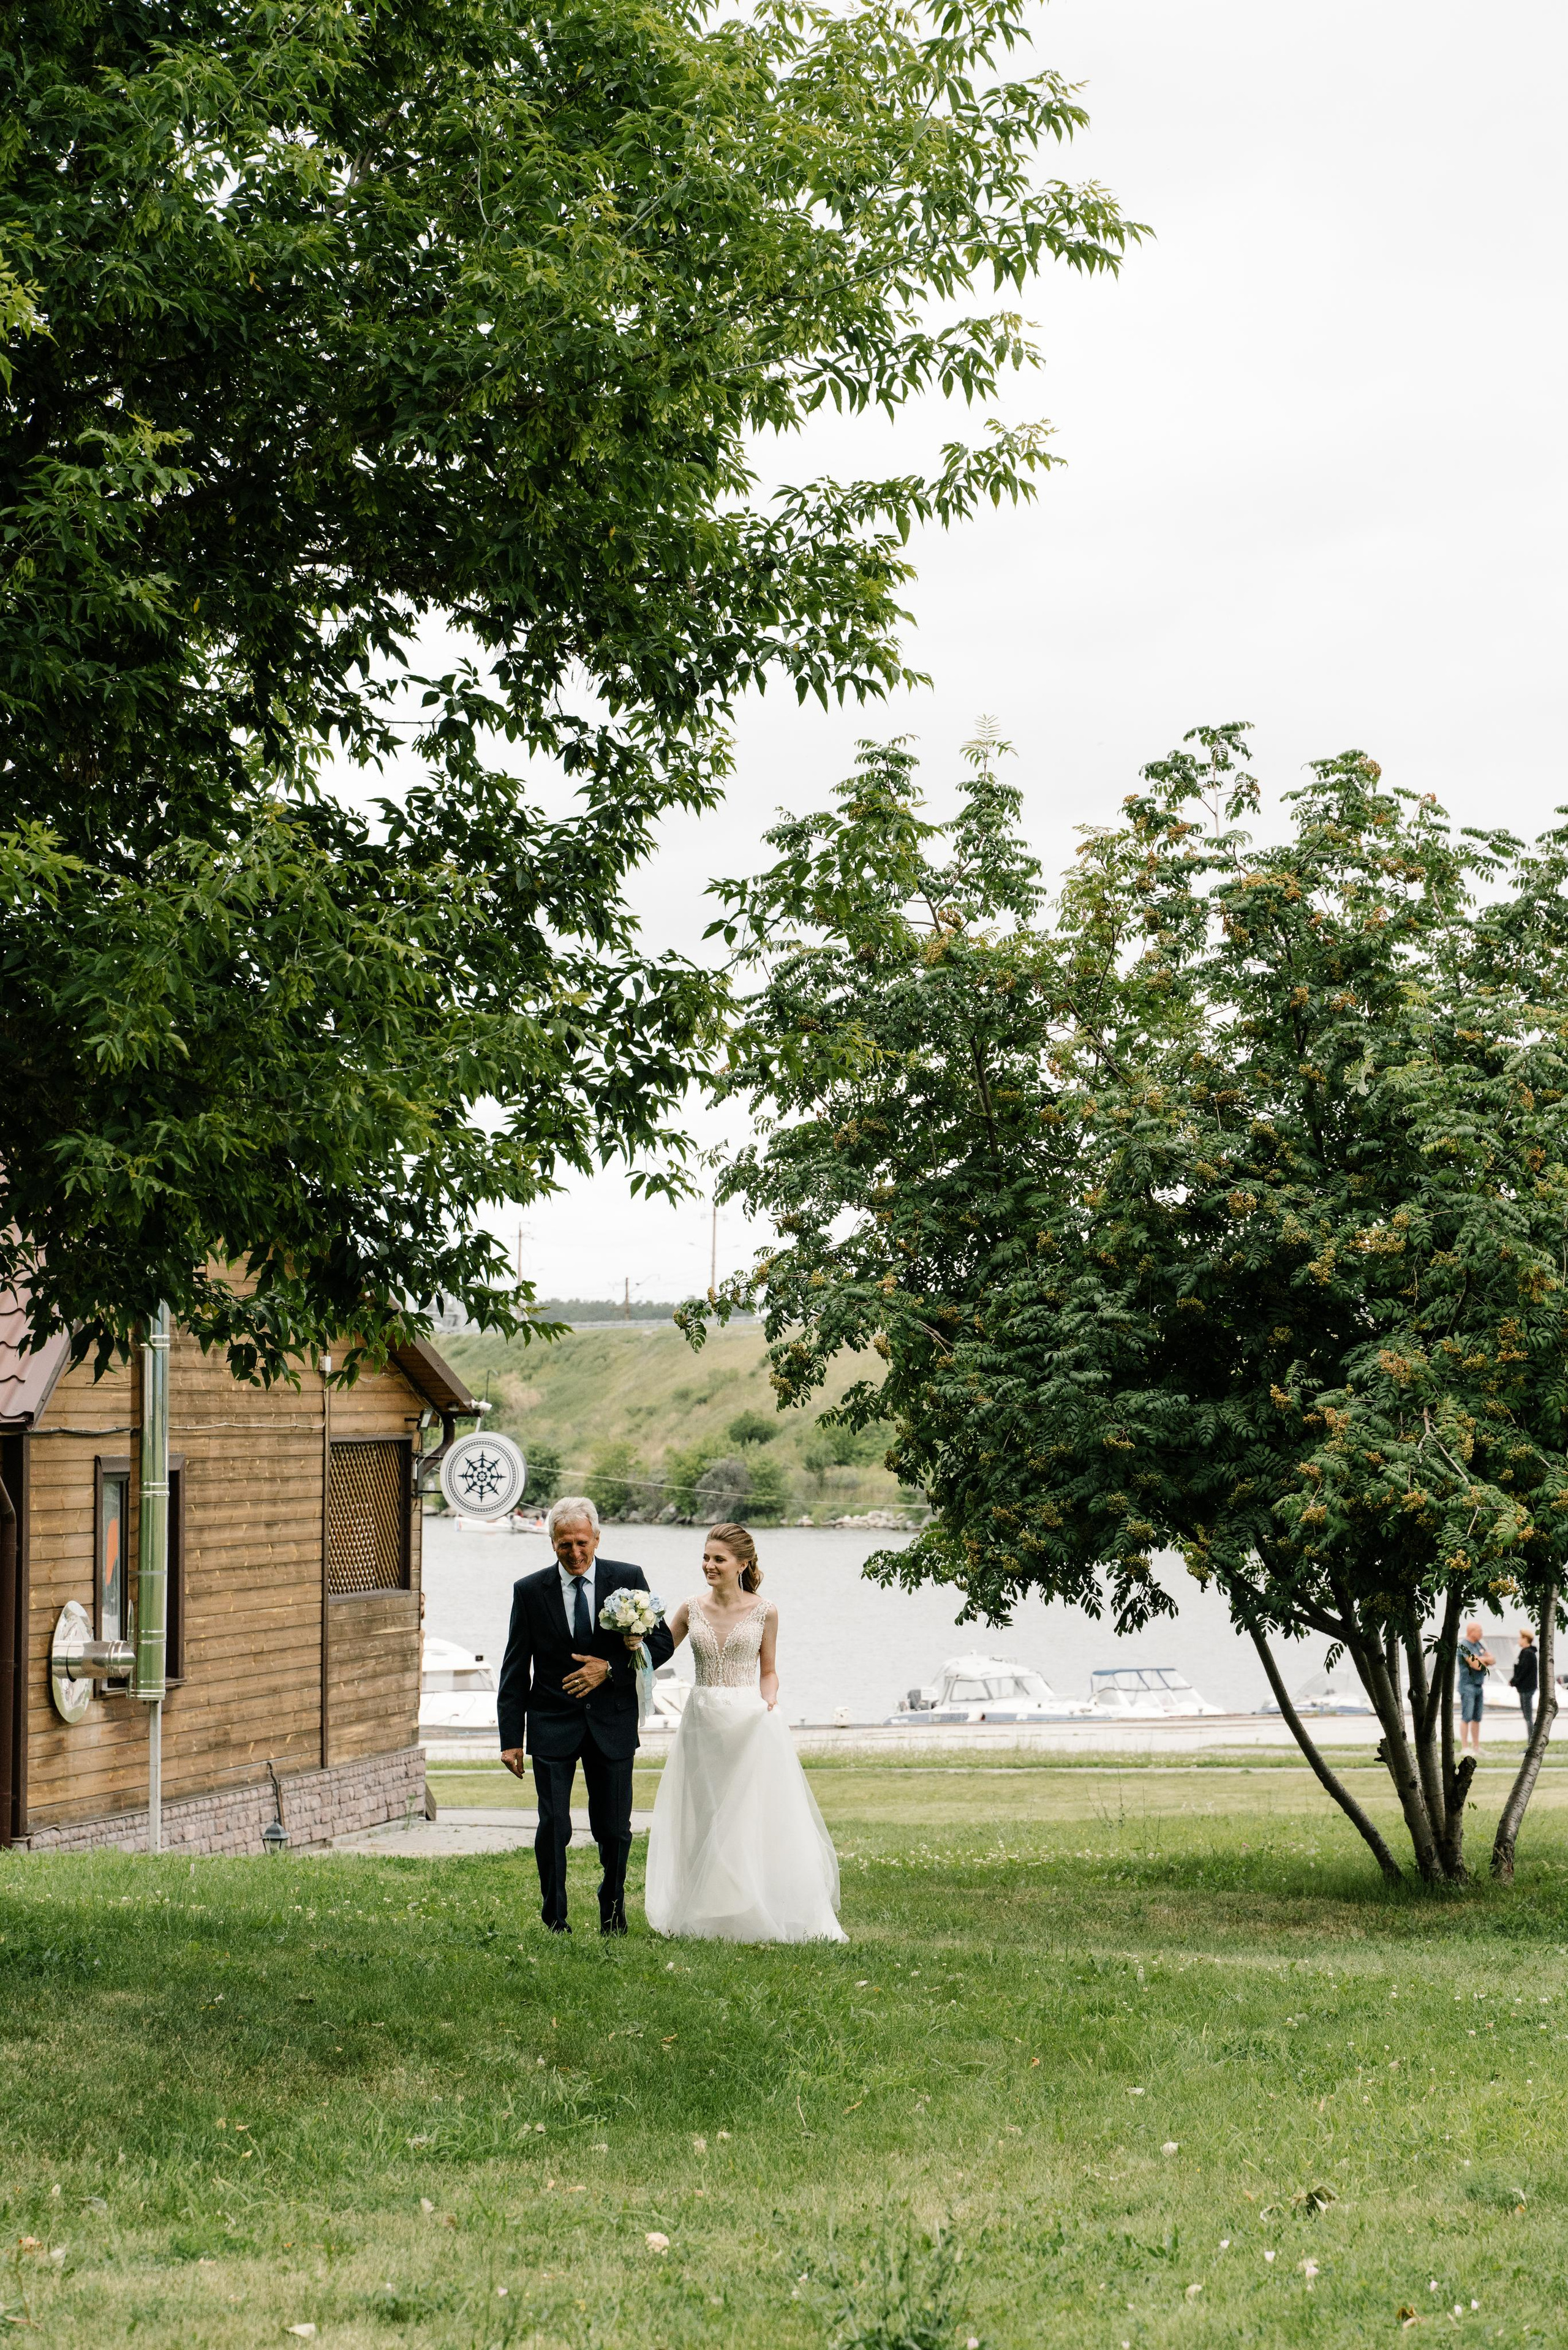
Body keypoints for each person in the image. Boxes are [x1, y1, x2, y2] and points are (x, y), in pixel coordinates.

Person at [645, 1523, 846, 1943]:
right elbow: (657, 1650)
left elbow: (769, 1671)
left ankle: (750, 1906)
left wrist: (769, 1701)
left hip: (746, 1722)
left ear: (743, 1563)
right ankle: (701, 1911)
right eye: (706, 1557)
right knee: (704, 1815)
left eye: (718, 1559)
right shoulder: (689, 1608)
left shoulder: (765, 1610)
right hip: (701, 1722)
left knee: (744, 1818)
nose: (709, 1565)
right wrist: (632, 1642)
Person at [497, 1496, 673, 1935]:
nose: (575, 1553)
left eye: (581, 1542)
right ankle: (555, 1918)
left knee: (614, 1829)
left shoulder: (628, 1579)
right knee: (554, 1824)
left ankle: (613, 1913)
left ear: (597, 1537)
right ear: (551, 1543)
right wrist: (510, 1738)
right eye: (564, 1545)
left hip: (612, 1721)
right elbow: (516, 1667)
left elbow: (663, 1642)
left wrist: (611, 1668)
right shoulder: (529, 1591)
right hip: (551, 1722)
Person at [1457, 1621, 1495, 1752]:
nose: (1482, 1634)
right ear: (1472, 1632)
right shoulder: (1463, 1646)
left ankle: (1476, 1746)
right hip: (1467, 1685)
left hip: (1479, 1685)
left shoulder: (1479, 1644)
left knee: (1477, 1718)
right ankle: (1465, 1747)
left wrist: (1479, 1658)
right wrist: (1482, 1660)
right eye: (1480, 1631)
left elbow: (1493, 1660)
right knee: (1466, 1716)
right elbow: (1476, 1666)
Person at [1510, 1630, 1539, 1740]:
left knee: (1528, 1717)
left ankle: (1531, 1742)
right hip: (1523, 1688)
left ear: (1526, 1639)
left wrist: (1515, 1681)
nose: (1519, 1640)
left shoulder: (1528, 1653)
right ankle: (1531, 1740)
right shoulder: (1524, 1652)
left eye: (1520, 1638)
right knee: (1526, 1716)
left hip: (1527, 1688)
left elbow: (1523, 1671)